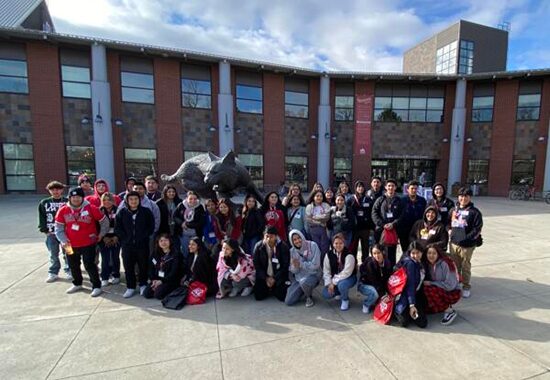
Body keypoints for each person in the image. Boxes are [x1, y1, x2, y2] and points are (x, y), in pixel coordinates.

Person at [55, 187, 109, 297]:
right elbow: (58, 228)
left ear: (82, 197)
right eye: (73, 197)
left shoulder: (91, 208)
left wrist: (101, 235)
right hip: (69, 245)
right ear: (69, 198)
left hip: (88, 243)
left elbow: (104, 222)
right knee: (72, 264)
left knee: (89, 264)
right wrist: (63, 241)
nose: (76, 199)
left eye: (78, 197)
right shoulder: (63, 210)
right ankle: (77, 283)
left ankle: (96, 286)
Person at [115, 191, 155, 298]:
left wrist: (143, 236)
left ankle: (143, 284)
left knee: (143, 265)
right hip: (127, 245)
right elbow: (117, 228)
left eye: (136, 199)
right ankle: (130, 287)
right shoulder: (122, 212)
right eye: (131, 199)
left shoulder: (146, 212)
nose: (133, 201)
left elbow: (151, 226)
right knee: (128, 266)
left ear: (139, 200)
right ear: (127, 201)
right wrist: (125, 238)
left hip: (142, 244)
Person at [449, 187, 483, 299]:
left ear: (470, 197)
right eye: (461, 196)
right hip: (454, 243)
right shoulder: (454, 210)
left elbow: (477, 229)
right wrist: (449, 230)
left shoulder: (475, 212)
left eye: (466, 196)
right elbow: (448, 223)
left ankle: (466, 286)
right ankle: (457, 283)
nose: (463, 198)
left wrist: (465, 238)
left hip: (467, 246)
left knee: (465, 266)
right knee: (455, 266)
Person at [38, 180, 71, 283]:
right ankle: (53, 272)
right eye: (53, 189)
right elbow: (42, 217)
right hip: (51, 233)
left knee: (69, 252)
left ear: (62, 190)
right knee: (53, 253)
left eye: (58, 189)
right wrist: (44, 230)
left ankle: (70, 270)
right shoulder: (44, 202)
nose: (55, 191)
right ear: (49, 191)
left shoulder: (67, 201)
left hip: (66, 233)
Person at [423, 244, 461, 325]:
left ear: (438, 254)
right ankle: (439, 308)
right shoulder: (428, 264)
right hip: (441, 289)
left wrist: (431, 283)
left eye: (434, 253)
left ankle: (449, 311)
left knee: (428, 289)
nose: (431, 256)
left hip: (453, 291)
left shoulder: (446, 263)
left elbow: (450, 286)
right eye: (429, 253)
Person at [394, 242, 428, 328]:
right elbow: (410, 286)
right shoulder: (410, 264)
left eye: (418, 253)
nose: (416, 256)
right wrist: (412, 305)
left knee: (422, 322)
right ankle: (397, 310)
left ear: (422, 252)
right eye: (413, 253)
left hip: (416, 294)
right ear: (409, 253)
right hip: (405, 295)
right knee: (404, 322)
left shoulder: (421, 263)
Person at [253, 226, 291, 301]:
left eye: (271, 237)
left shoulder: (283, 247)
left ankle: (273, 288)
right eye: (266, 236)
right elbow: (257, 265)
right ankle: (269, 288)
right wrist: (266, 278)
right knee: (258, 296)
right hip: (264, 276)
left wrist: (274, 279)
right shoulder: (258, 246)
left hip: (278, 277)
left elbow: (285, 266)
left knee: (282, 296)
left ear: (276, 236)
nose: (268, 239)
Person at [285, 229, 321, 307]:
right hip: (299, 278)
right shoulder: (292, 251)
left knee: (304, 282)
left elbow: (316, 265)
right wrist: (294, 266)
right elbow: (294, 271)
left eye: (299, 238)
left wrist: (301, 264)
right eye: (294, 240)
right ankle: (303, 291)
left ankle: (309, 297)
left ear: (302, 236)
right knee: (289, 301)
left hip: (313, 275)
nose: (297, 241)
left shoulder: (313, 245)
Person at [372, 179, 403, 267]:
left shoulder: (399, 200)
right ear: (385, 187)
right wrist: (382, 224)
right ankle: (379, 269)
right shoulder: (380, 199)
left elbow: (401, 215)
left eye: (392, 186)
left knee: (392, 253)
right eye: (389, 186)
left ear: (395, 187)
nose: (390, 187)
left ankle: (391, 270)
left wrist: (393, 224)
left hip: (393, 230)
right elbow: (374, 213)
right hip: (381, 230)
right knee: (380, 251)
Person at [322, 233, 357, 311]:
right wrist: (328, 283)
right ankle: (338, 293)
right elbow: (326, 270)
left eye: (340, 243)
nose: (338, 245)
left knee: (342, 285)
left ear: (344, 243)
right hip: (336, 278)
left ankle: (345, 299)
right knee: (325, 294)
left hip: (349, 277)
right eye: (336, 243)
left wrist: (333, 283)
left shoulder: (349, 255)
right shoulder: (329, 254)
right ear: (333, 244)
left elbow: (346, 272)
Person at [143, 233, 183, 299]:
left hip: (170, 280)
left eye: (166, 240)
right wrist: (153, 280)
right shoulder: (155, 253)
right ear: (158, 243)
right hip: (158, 279)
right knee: (146, 294)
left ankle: (172, 289)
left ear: (170, 241)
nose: (163, 242)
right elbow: (150, 268)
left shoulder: (176, 254)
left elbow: (174, 272)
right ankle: (159, 288)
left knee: (158, 295)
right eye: (161, 241)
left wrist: (162, 282)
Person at [357, 244, 392, 314]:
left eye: (378, 253)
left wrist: (388, 293)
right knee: (375, 294)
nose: (376, 256)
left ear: (383, 252)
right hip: (365, 284)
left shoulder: (387, 263)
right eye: (374, 253)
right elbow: (374, 281)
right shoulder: (370, 264)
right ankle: (366, 304)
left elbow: (387, 279)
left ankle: (375, 301)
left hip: (376, 285)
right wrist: (383, 296)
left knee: (386, 296)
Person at [397, 180, 427, 254]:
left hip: (418, 230)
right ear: (407, 189)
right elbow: (398, 215)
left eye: (415, 189)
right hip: (404, 230)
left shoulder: (422, 200)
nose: (414, 190)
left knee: (418, 250)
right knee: (406, 251)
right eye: (412, 188)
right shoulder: (402, 200)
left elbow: (425, 215)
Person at [174, 190, 205, 258]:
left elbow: (201, 222)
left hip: (195, 234)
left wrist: (187, 225)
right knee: (185, 251)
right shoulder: (181, 205)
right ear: (186, 198)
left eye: (195, 199)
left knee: (196, 251)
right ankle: (186, 265)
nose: (193, 201)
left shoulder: (200, 207)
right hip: (183, 234)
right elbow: (175, 216)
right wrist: (181, 223)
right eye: (190, 199)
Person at [99, 192, 121, 287]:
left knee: (115, 257)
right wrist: (103, 237)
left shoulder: (119, 210)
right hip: (103, 238)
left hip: (116, 237)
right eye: (104, 200)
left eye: (109, 199)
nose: (106, 202)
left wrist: (117, 236)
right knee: (105, 258)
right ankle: (105, 277)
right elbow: (96, 226)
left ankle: (116, 274)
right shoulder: (99, 210)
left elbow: (122, 225)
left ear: (113, 200)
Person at [348, 180, 374, 261]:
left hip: (365, 228)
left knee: (365, 249)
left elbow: (371, 213)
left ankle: (365, 266)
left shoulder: (368, 199)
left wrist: (371, 226)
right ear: (356, 188)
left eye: (362, 187)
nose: (360, 188)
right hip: (354, 228)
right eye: (358, 187)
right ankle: (353, 266)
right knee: (353, 249)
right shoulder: (351, 199)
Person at [304, 190, 331, 260]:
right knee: (315, 249)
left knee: (324, 248)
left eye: (321, 196)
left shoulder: (326, 205)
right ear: (313, 197)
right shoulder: (309, 207)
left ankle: (324, 265)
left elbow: (326, 217)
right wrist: (320, 221)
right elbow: (309, 219)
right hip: (313, 230)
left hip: (324, 230)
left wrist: (314, 217)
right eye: (317, 196)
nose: (319, 198)